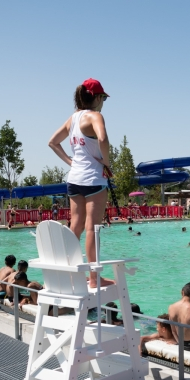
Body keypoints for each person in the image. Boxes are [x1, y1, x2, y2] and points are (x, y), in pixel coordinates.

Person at [48, 77, 113, 288]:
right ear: (96, 97)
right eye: (103, 97)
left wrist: (71, 162)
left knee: (74, 226)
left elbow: (52, 142)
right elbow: (102, 140)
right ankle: (94, 278)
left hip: (74, 179)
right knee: (92, 228)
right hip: (93, 179)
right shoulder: (96, 116)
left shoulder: (73, 118)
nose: (103, 102)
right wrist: (106, 163)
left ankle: (69, 275)